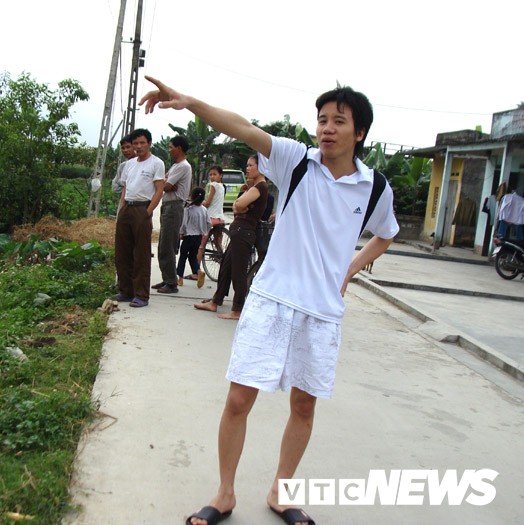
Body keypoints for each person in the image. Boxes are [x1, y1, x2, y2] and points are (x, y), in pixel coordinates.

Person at [140, 77, 399, 525]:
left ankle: (282, 491)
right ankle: (224, 494)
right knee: (239, 399)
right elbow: (242, 127)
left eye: (339, 121)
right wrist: (191, 102)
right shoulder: (297, 162)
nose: (327, 128)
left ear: (360, 133)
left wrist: (349, 270)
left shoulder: (374, 187)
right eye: (322, 119)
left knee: (303, 405)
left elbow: (386, 233)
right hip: (271, 301)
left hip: (320, 313)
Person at [194, 154, 268, 320]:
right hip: (239, 231)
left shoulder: (260, 186)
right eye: (247, 165)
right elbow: (236, 205)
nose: (247, 168)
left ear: (261, 167)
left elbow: (239, 204)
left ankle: (237, 309)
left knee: (238, 272)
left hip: (244, 232)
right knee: (226, 268)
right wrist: (238, 206)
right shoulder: (253, 186)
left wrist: (238, 206)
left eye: (251, 165)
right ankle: (215, 301)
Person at [114, 128, 165, 308]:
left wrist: (148, 212)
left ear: (149, 143)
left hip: (142, 209)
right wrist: (121, 209)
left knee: (141, 254)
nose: (138, 146)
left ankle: (141, 294)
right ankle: (126, 291)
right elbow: (126, 188)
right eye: (135, 143)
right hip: (127, 207)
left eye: (142, 143)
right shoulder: (130, 164)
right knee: (122, 252)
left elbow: (159, 189)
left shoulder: (156, 163)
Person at [152, 135, 193, 294]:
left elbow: (165, 185)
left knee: (167, 245)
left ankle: (171, 282)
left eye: (171, 147)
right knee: (163, 244)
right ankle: (167, 278)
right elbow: (164, 183)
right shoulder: (176, 166)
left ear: (179, 148)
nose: (169, 150)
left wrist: (166, 184)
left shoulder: (183, 166)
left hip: (174, 207)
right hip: (168, 206)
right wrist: (165, 183)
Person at [198, 166, 227, 287]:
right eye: (210, 175)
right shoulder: (223, 186)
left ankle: (196, 271)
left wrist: (200, 202)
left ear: (220, 175)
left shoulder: (213, 186)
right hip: (220, 218)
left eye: (214, 174)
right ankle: (223, 264)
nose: (212, 177)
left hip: (211, 218)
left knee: (200, 245)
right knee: (217, 243)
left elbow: (208, 202)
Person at [177, 187, 212, 286]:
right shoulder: (204, 209)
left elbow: (184, 224)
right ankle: (198, 271)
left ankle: (180, 278)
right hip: (198, 237)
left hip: (188, 236)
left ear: (191, 197)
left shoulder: (188, 209)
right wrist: (204, 230)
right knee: (193, 256)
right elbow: (209, 223)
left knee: (183, 256)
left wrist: (181, 233)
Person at [111, 133, 136, 202]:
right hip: (124, 202)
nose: (125, 150)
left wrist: (121, 183)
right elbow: (115, 188)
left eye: (128, 147)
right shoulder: (123, 166)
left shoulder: (143, 164)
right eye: (123, 148)